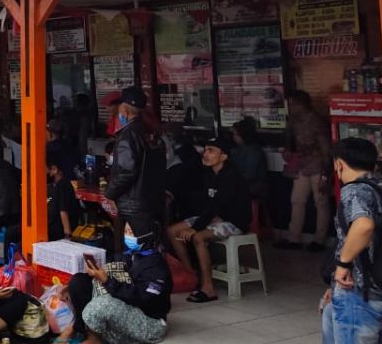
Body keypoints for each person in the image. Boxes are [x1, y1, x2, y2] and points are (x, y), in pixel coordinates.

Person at [321, 137, 382, 344]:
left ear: (339, 164)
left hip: (360, 296)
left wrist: (342, 265)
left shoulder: (354, 191)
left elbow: (364, 225)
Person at [52, 222, 172, 344]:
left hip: (149, 322)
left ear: (146, 235)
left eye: (132, 233)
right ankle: (81, 329)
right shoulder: (131, 255)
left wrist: (107, 281)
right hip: (128, 309)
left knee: (102, 305)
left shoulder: (157, 266)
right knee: (79, 282)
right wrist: (73, 285)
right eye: (126, 232)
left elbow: (141, 298)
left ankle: (93, 338)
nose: (128, 236)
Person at [166, 135, 252, 303]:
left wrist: (196, 227)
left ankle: (208, 288)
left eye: (211, 151)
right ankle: (192, 275)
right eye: (205, 150)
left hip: (233, 221)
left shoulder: (231, 176)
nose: (206, 154)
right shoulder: (208, 173)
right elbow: (207, 205)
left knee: (198, 237)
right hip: (214, 217)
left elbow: (217, 206)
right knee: (172, 231)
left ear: (224, 156)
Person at [105, 87, 166, 236]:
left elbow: (127, 170)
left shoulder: (129, 135)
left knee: (137, 246)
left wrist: (110, 193)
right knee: (152, 243)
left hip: (134, 204)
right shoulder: (151, 132)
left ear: (124, 110)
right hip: (153, 198)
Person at [277, 90, 332, 252]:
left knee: (320, 202)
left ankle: (319, 240)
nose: (290, 108)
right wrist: (288, 148)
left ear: (301, 105)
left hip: (318, 164)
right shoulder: (294, 120)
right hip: (302, 163)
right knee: (297, 200)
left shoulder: (316, 122)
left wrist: (325, 174)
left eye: (292, 104)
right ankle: (294, 237)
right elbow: (289, 137)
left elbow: (326, 151)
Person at [230, 117, 269, 200]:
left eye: (235, 134)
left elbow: (249, 175)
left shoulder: (253, 151)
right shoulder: (239, 149)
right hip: (245, 183)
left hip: (254, 185)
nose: (234, 137)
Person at [48, 152, 82, 241]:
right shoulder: (51, 185)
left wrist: (67, 236)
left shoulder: (64, 185)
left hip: (57, 231)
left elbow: (63, 212)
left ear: (54, 169)